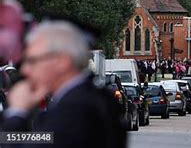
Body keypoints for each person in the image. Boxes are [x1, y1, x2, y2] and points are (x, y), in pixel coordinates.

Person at [0, 20, 126, 148]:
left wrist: (17, 112)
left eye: (32, 61)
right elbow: (44, 138)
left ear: (62, 62)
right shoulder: (89, 98)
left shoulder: (75, 109)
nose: (25, 69)